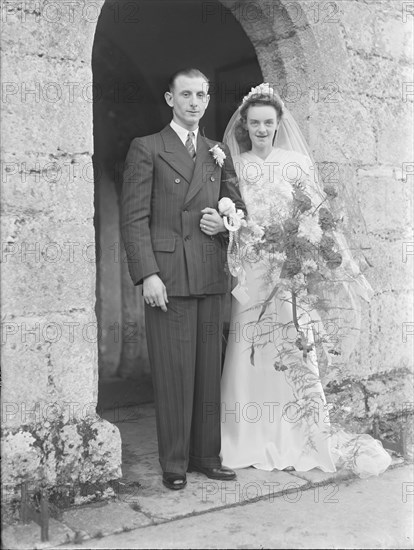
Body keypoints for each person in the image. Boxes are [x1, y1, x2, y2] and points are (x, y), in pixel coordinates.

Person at [220, 83, 392, 478]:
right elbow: (236, 218)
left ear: (279, 123)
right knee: (249, 350)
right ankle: (244, 436)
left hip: (289, 271)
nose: (261, 129)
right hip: (252, 269)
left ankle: (299, 436)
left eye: (268, 122)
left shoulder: (296, 162)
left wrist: (343, 267)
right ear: (245, 125)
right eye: (254, 122)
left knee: (293, 351)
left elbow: (318, 217)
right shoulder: (236, 165)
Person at [120, 68, 246, 490]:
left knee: (208, 369)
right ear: (170, 99)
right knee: (175, 371)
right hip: (170, 277)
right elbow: (134, 218)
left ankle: (206, 455)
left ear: (209, 101)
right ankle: (174, 463)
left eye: (201, 95)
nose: (194, 102)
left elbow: (240, 210)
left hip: (210, 273)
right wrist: (148, 275)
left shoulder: (217, 150)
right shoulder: (148, 148)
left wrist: (223, 223)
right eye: (186, 94)